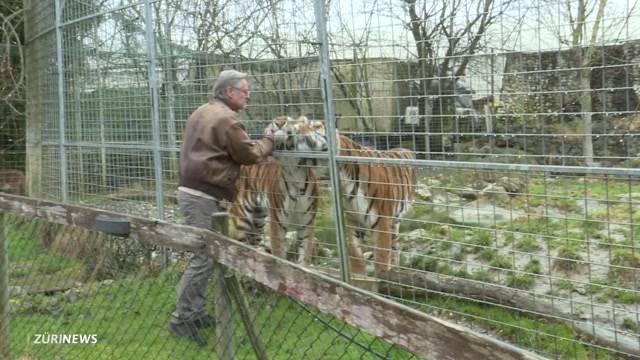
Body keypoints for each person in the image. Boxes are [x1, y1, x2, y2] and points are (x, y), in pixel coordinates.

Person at [168, 69, 274, 346]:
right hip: (203, 195)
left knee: (208, 256)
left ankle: (197, 311)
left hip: (194, 191)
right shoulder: (228, 120)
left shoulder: (203, 111)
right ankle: (180, 319)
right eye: (244, 90)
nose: (248, 95)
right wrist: (270, 141)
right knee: (202, 257)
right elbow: (249, 154)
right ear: (229, 92)